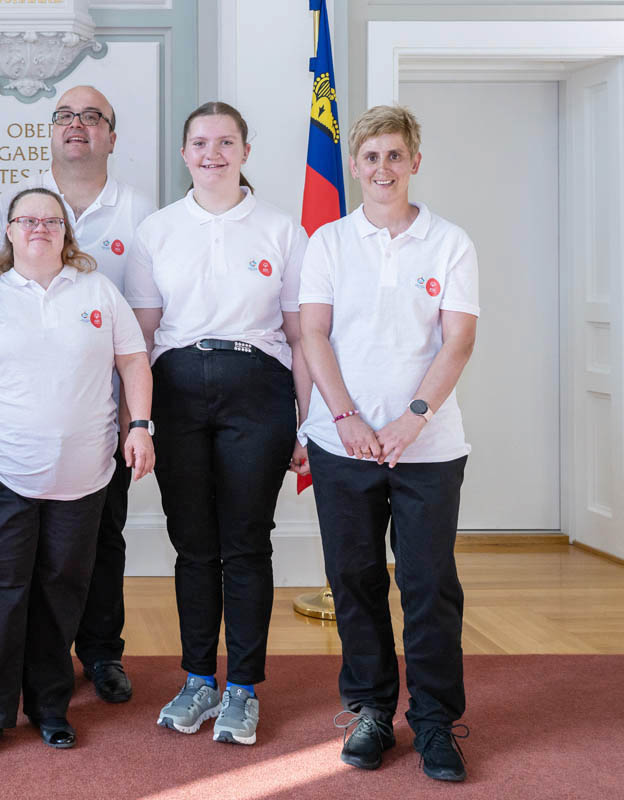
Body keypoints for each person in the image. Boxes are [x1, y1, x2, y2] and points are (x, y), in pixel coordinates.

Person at [0, 187, 155, 762]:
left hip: (84, 478)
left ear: (66, 233)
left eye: (51, 221)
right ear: (8, 231)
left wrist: (140, 427)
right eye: (27, 220)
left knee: (62, 593)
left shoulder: (98, 291)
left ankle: (50, 707)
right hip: (4, 472)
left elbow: (133, 359)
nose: (39, 228)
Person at [297, 105, 479, 782]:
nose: (382, 168)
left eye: (394, 156)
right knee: (356, 580)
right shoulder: (329, 242)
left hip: (428, 448)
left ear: (415, 162)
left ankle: (433, 720)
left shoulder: (450, 242)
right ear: (354, 165)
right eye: (370, 157)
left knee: (430, 586)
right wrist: (345, 417)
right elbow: (313, 333)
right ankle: (372, 710)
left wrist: (413, 419)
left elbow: (458, 339)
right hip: (342, 444)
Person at [124, 102, 311, 746]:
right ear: (184, 153)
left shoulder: (283, 231)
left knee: (246, 542)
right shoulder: (157, 230)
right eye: (200, 143)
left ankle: (243, 688)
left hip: (256, 389)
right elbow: (141, 337)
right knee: (194, 544)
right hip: (176, 390)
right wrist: (137, 419)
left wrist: (307, 426)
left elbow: (300, 335)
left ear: (245, 152)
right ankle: (199, 677)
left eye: (225, 142)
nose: (212, 154)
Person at [0, 85, 157, 703]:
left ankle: (102, 652)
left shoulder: (141, 211)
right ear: (50, 132)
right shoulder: (18, 204)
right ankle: (33, 659)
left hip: (105, 411)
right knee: (26, 548)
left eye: (92, 117)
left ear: (112, 135)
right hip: (28, 414)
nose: (76, 126)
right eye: (64, 116)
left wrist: (140, 419)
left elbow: (145, 324)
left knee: (99, 538)